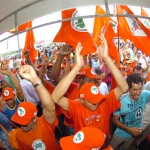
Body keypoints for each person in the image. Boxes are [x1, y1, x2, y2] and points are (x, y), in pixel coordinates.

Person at [52, 36, 128, 137]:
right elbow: (55, 95)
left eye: (94, 80)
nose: (92, 83)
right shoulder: (76, 105)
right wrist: (76, 67)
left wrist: (107, 59)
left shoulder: (104, 102)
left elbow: (124, 87)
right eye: (89, 79)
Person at [11, 65, 60, 150]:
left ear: (34, 119)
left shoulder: (45, 124)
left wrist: (35, 79)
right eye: (19, 121)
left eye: (24, 122)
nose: (21, 125)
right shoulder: (18, 135)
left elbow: (50, 107)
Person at [110, 73, 150, 150]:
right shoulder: (121, 101)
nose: (138, 93)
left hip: (134, 135)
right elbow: (114, 120)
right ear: (128, 89)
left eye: (140, 89)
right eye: (135, 89)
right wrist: (129, 130)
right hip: (120, 134)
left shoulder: (144, 94)